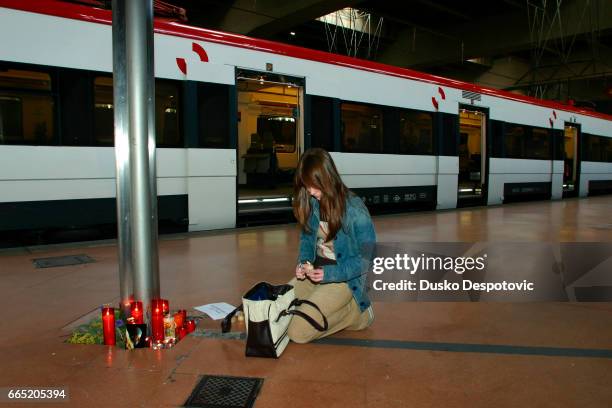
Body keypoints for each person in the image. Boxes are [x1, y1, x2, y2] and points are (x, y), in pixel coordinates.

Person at [287, 148, 376, 344]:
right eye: (306, 186)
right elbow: (307, 240)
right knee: (279, 304)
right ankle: (322, 305)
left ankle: (356, 313)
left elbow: (368, 258)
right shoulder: (312, 202)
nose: (310, 192)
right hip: (316, 274)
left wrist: (330, 274)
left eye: (314, 186)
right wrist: (304, 263)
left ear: (327, 178)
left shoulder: (355, 210)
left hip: (344, 280)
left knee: (297, 332)